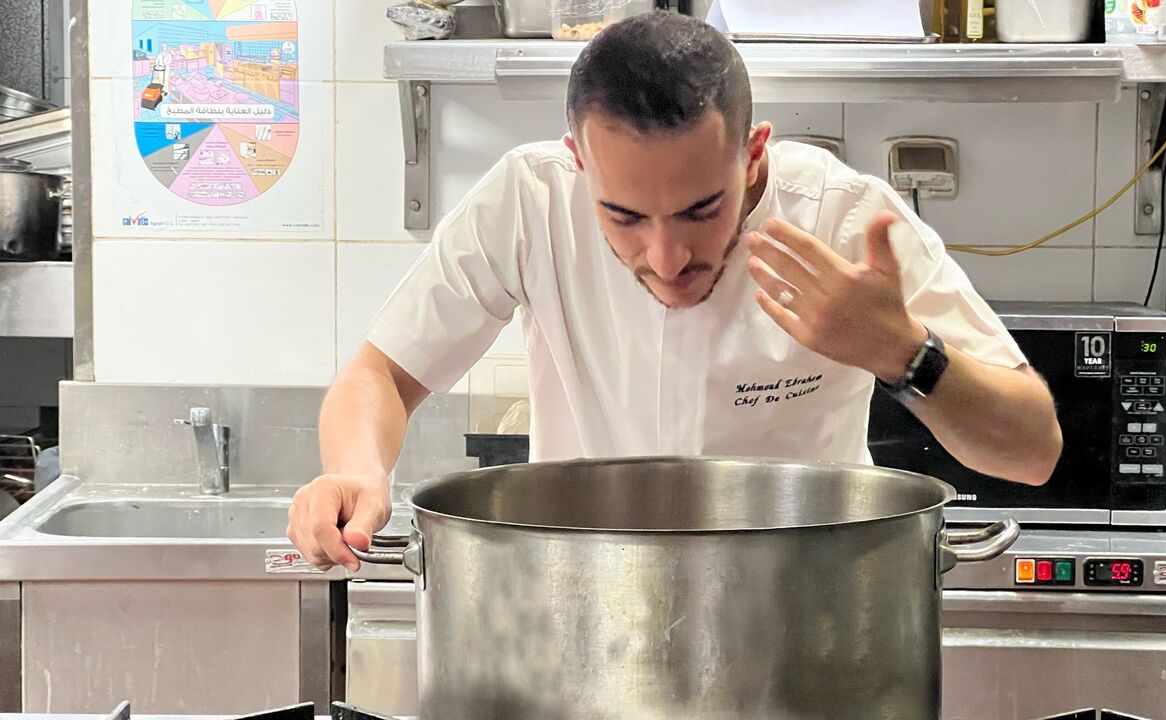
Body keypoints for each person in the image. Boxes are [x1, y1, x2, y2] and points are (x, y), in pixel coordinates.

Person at [288, 12, 1063, 571]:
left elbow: (1034, 449)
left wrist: (902, 354)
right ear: (579, 165)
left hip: (807, 629)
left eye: (701, 210)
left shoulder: (844, 218)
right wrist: (356, 472)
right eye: (622, 216)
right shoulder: (530, 199)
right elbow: (379, 376)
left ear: (753, 159)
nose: (665, 258)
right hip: (585, 608)